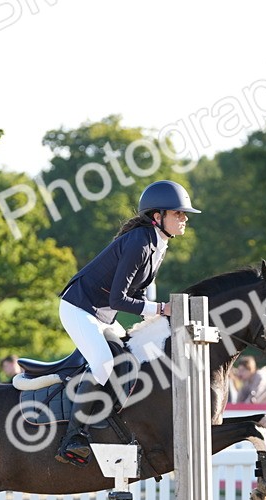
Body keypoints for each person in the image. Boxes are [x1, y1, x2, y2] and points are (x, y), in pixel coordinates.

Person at [54, 179, 198, 465]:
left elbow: (137, 292)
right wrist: (160, 309)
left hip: (102, 313)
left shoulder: (158, 243)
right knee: (104, 364)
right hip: (79, 308)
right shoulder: (139, 242)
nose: (184, 219)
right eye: (178, 213)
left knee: (130, 355)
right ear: (158, 217)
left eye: (184, 214)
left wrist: (158, 316)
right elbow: (121, 300)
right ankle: (72, 438)